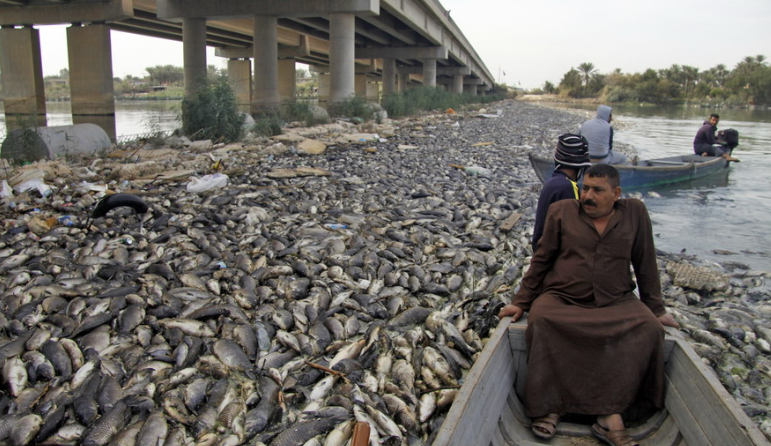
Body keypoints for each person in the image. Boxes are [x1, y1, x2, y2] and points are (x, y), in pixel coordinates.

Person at [498, 164, 679, 446]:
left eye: (597, 190)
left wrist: (656, 309)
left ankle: (610, 414)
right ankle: (551, 406)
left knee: (649, 329)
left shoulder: (635, 213)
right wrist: (521, 301)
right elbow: (542, 259)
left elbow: (645, 262)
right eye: (585, 189)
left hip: (615, 299)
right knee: (543, 320)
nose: (588, 196)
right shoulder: (562, 212)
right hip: (563, 296)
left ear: (616, 193)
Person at [532, 133, 592, 252]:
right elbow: (573, 230)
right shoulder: (568, 187)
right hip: (551, 255)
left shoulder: (553, 182)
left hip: (540, 249)